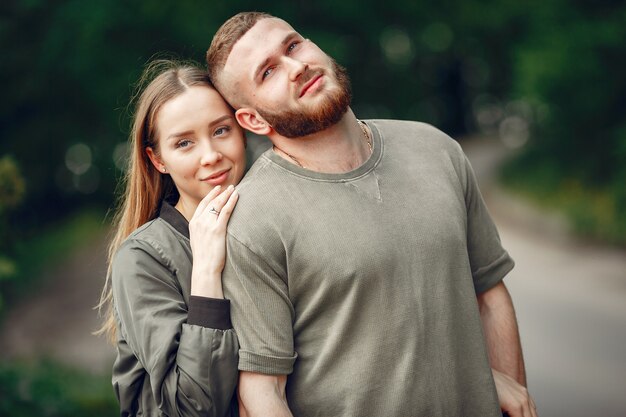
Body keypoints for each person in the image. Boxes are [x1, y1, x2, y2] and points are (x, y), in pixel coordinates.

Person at [206, 12, 537, 417]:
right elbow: (262, 394)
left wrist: (508, 387)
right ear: (253, 119)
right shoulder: (253, 220)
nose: (296, 67)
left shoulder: (435, 149)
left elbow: (489, 293)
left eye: (293, 46)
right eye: (268, 72)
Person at [97, 61, 246, 416]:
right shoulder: (141, 258)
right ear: (158, 159)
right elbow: (193, 406)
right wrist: (207, 271)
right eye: (184, 143)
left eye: (221, 130)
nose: (211, 155)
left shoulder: (270, 223)